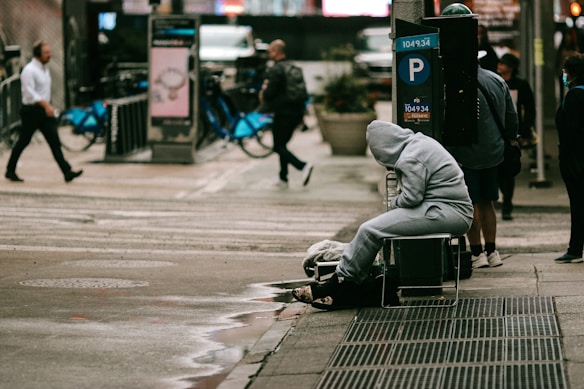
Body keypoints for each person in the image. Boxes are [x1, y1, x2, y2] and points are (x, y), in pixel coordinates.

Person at [292, 120, 474, 310]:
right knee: (374, 229)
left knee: (370, 230)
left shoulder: (410, 157)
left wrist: (394, 202)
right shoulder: (419, 143)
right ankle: (348, 283)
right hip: (443, 209)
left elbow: (412, 198)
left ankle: (341, 282)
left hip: (447, 212)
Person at [448, 66, 518, 269]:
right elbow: (511, 117)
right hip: (493, 151)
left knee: (471, 203)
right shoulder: (497, 80)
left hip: (465, 154)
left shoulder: (455, 83)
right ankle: (492, 251)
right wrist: (510, 140)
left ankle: (477, 253)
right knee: (488, 201)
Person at [5, 40, 82, 183]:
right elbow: (29, 93)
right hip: (32, 111)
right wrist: (46, 105)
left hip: (44, 110)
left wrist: (48, 106)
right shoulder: (29, 70)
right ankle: (10, 169)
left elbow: (43, 91)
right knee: (23, 141)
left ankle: (67, 171)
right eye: (46, 52)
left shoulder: (44, 69)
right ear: (38, 54)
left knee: (54, 141)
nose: (49, 55)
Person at [259, 39, 312, 189]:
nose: (269, 54)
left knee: (278, 147)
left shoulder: (276, 70)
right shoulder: (293, 66)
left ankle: (303, 166)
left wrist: (264, 90)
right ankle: (283, 178)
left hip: (282, 113)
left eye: (270, 51)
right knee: (282, 145)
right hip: (296, 111)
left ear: (276, 51)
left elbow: (269, 94)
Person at [496, 53, 536, 220]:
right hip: (497, 130)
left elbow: (530, 107)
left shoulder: (520, 84)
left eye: (503, 64)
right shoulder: (495, 81)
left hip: (512, 132)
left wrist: (524, 130)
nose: (499, 66)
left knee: (508, 170)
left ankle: (507, 204)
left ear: (511, 67)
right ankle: (503, 201)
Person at [554, 53, 584, 263]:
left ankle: (575, 249)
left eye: (565, 71)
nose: (563, 75)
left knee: (578, 204)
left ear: (572, 74)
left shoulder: (574, 96)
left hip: (576, 160)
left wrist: (563, 157)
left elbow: (570, 131)